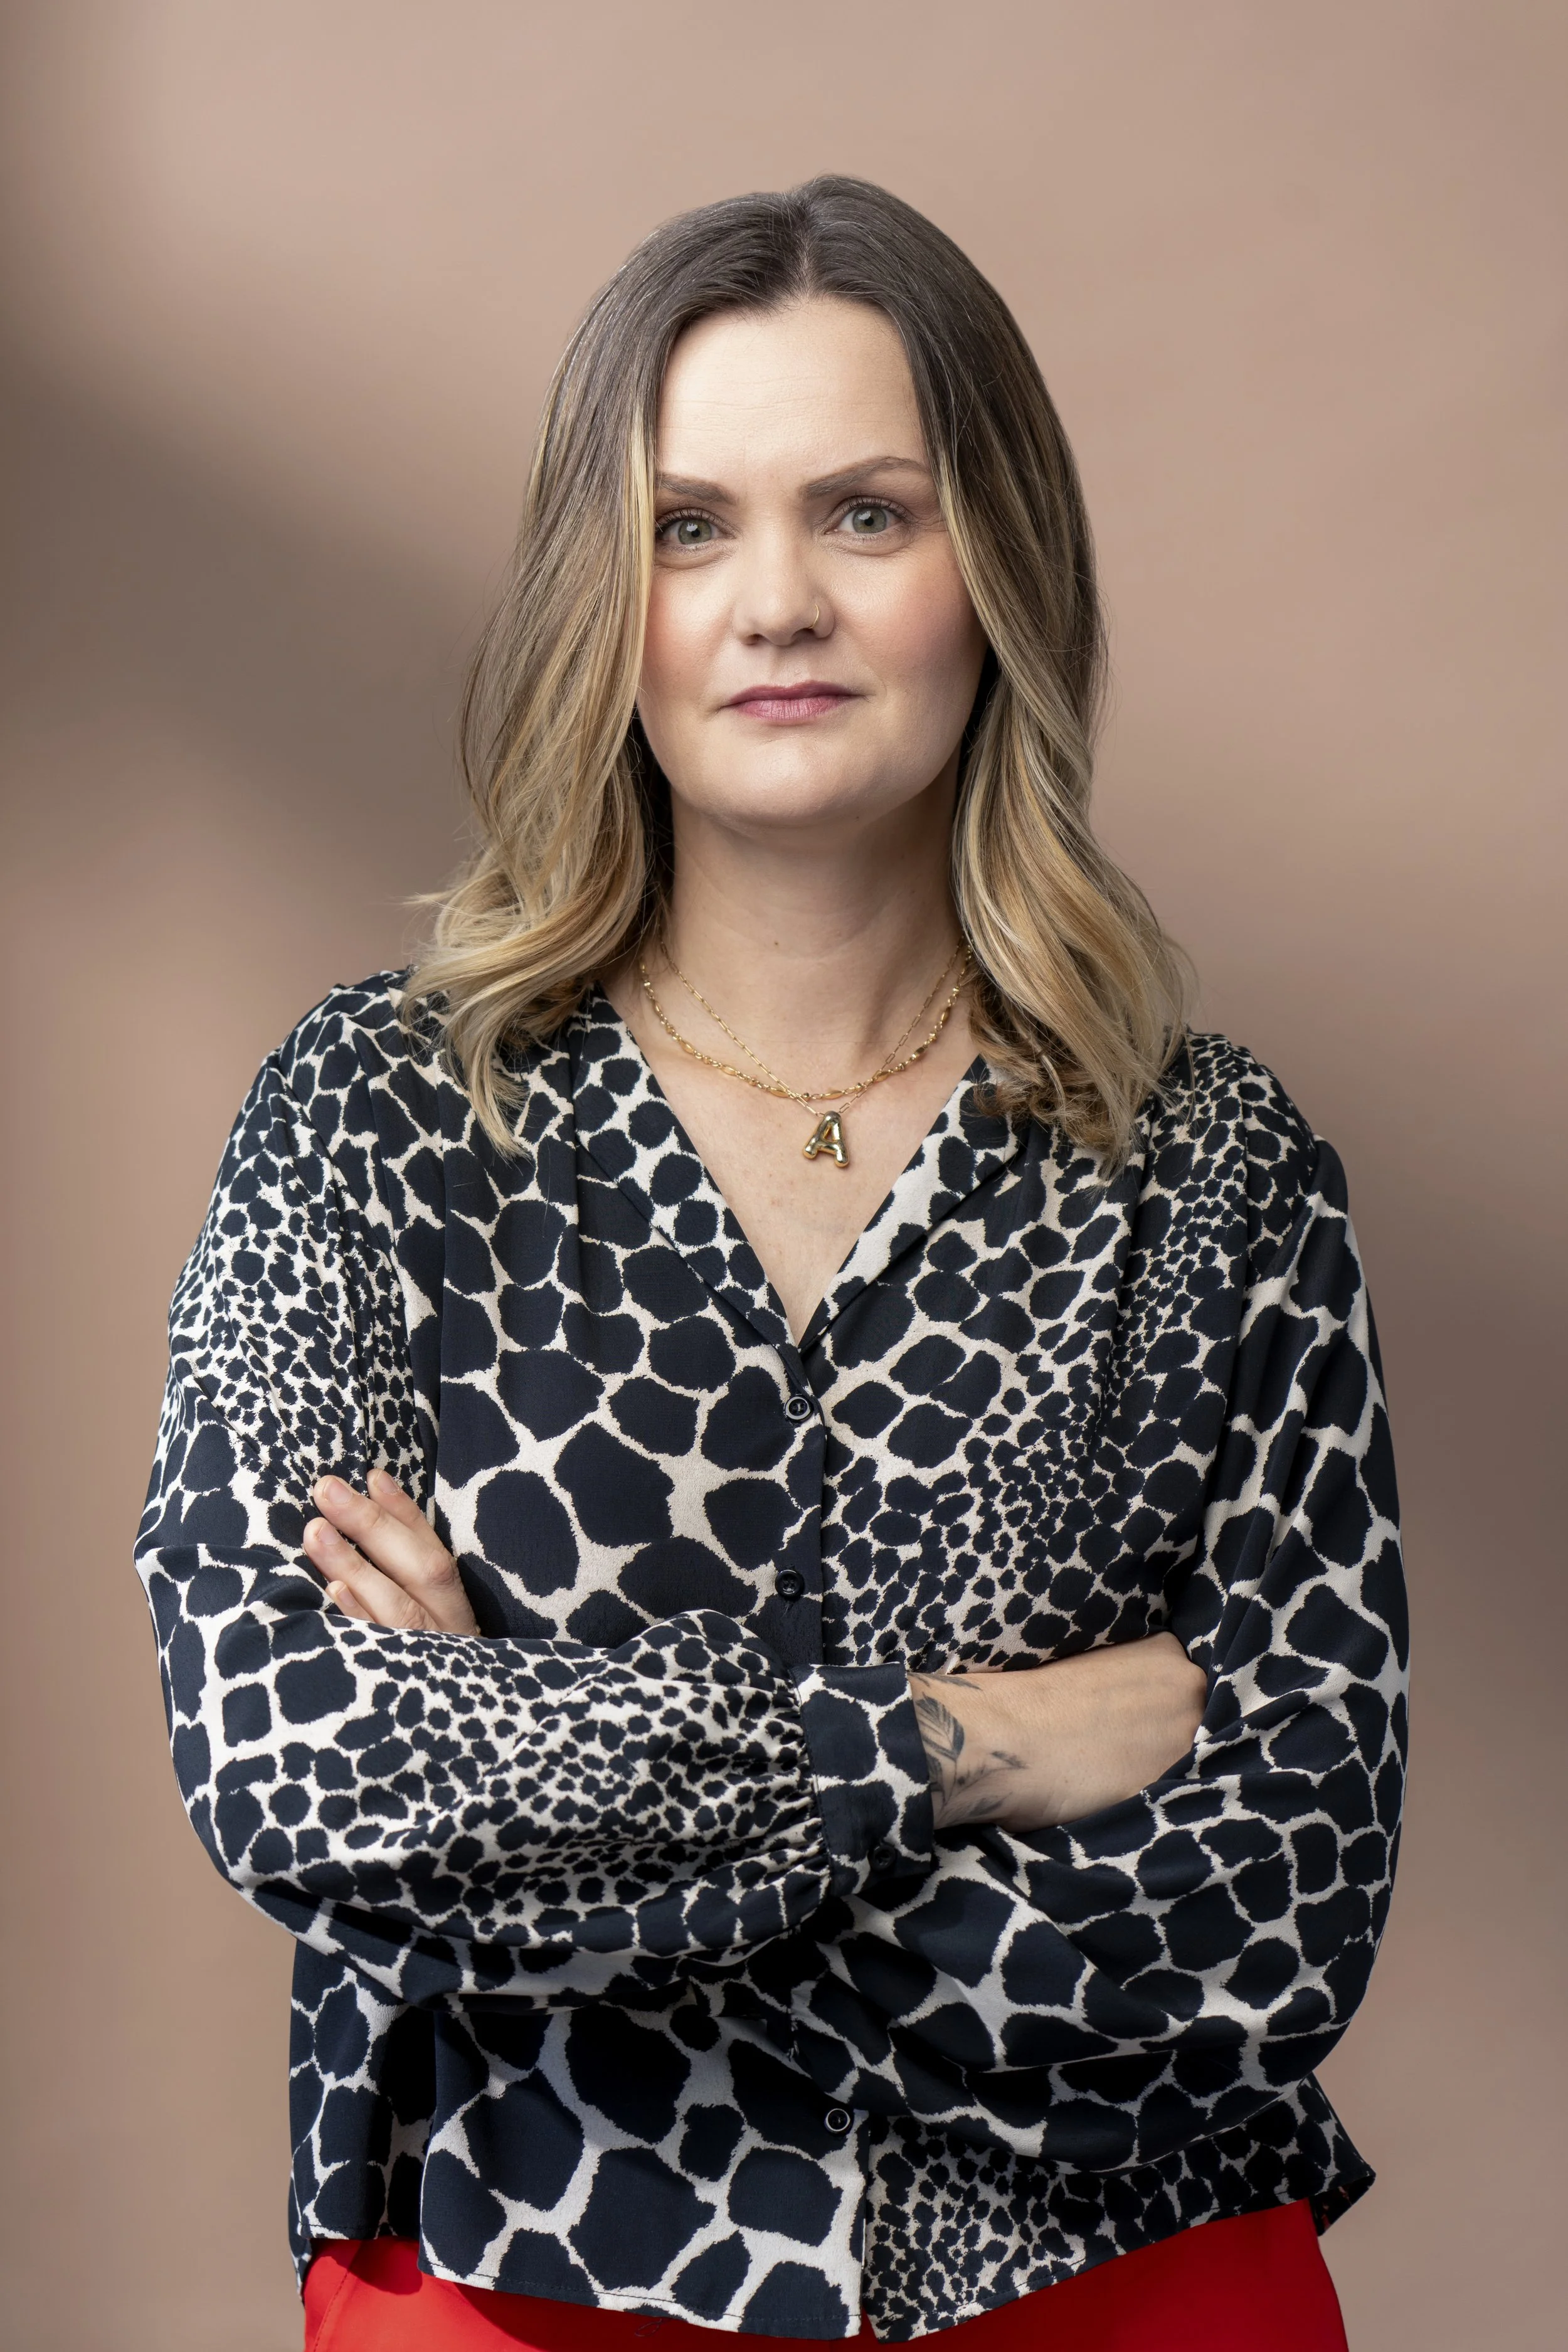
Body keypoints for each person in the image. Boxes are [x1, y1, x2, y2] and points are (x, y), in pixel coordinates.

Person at [137, 177, 1405, 2352]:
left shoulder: (1214, 1168)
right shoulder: (380, 1121)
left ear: (998, 568)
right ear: (594, 598)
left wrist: (532, 1781)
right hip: (523, 2299)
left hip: (1107, 2290)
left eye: (868, 514)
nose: (775, 602)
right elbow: (308, 1775)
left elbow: (1277, 1909)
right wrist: (963, 1745)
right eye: (691, 525)